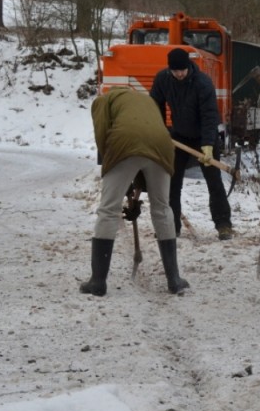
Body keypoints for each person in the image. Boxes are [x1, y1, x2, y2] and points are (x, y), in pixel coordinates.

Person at [81, 87, 189, 296]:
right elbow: (146, 144)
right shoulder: (147, 102)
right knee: (162, 208)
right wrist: (133, 186)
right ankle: (174, 280)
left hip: (124, 143)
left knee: (108, 210)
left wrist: (111, 165)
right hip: (162, 145)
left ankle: (98, 282)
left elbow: (102, 133)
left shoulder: (103, 101)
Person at [149, 48, 234, 240]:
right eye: (175, 71)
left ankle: (223, 225)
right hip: (179, 136)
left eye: (182, 70)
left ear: (188, 66)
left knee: (214, 181)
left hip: (204, 137)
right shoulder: (163, 79)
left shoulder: (203, 83)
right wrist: (159, 129)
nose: (179, 74)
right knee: (172, 182)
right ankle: (172, 226)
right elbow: (155, 104)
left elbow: (210, 116)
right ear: (170, 69)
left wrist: (207, 146)